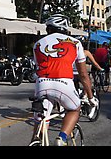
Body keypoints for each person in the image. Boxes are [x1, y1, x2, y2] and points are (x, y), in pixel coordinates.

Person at [33, 14, 98, 146]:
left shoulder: (37, 44)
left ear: (49, 29)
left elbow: (38, 67)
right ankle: (61, 138)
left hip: (41, 85)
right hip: (64, 84)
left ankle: (36, 139)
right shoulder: (75, 43)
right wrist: (90, 97)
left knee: (41, 118)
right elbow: (83, 75)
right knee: (75, 109)